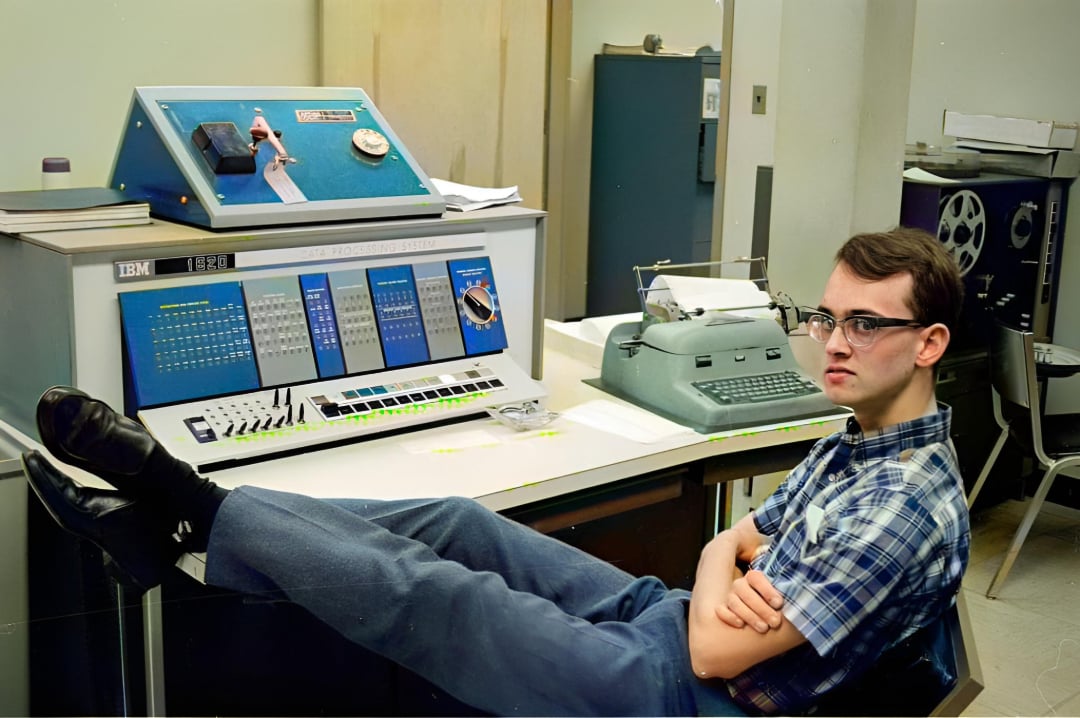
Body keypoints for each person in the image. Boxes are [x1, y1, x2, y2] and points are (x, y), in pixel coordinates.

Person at [22, 226, 969, 716]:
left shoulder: (904, 506)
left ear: (928, 342)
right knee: (457, 522)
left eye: (866, 325)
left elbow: (721, 654)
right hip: (670, 619)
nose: (834, 344)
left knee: (446, 599)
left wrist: (726, 571)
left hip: (689, 695)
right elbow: (738, 540)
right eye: (827, 317)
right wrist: (727, 555)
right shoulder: (856, 441)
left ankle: (180, 508)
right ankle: (172, 528)